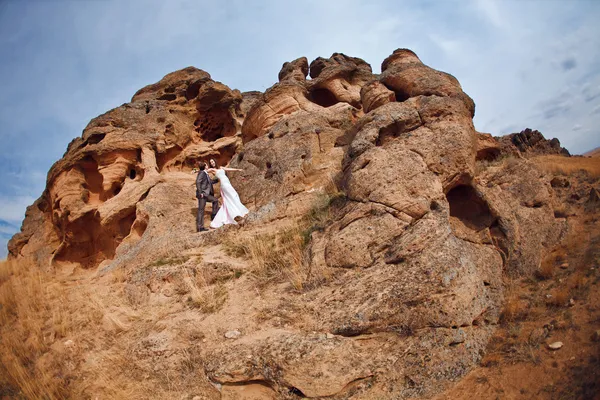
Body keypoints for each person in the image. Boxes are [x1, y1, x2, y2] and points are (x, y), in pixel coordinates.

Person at [206, 158, 249, 228]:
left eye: (212, 161)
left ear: (215, 161)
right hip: (224, 184)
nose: (212, 163)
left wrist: (238, 170)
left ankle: (237, 210)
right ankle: (234, 213)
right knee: (233, 195)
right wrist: (195, 170)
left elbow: (229, 169)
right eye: (210, 162)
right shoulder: (212, 170)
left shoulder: (221, 167)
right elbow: (204, 171)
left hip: (227, 183)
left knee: (234, 196)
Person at [195, 161, 219, 232]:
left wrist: (218, 178)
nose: (208, 165)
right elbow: (197, 182)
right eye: (206, 165)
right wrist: (200, 192)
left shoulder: (206, 174)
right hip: (202, 195)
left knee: (215, 200)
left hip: (206, 194)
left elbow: (210, 182)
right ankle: (200, 227)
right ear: (205, 166)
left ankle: (213, 215)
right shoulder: (202, 173)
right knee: (201, 210)